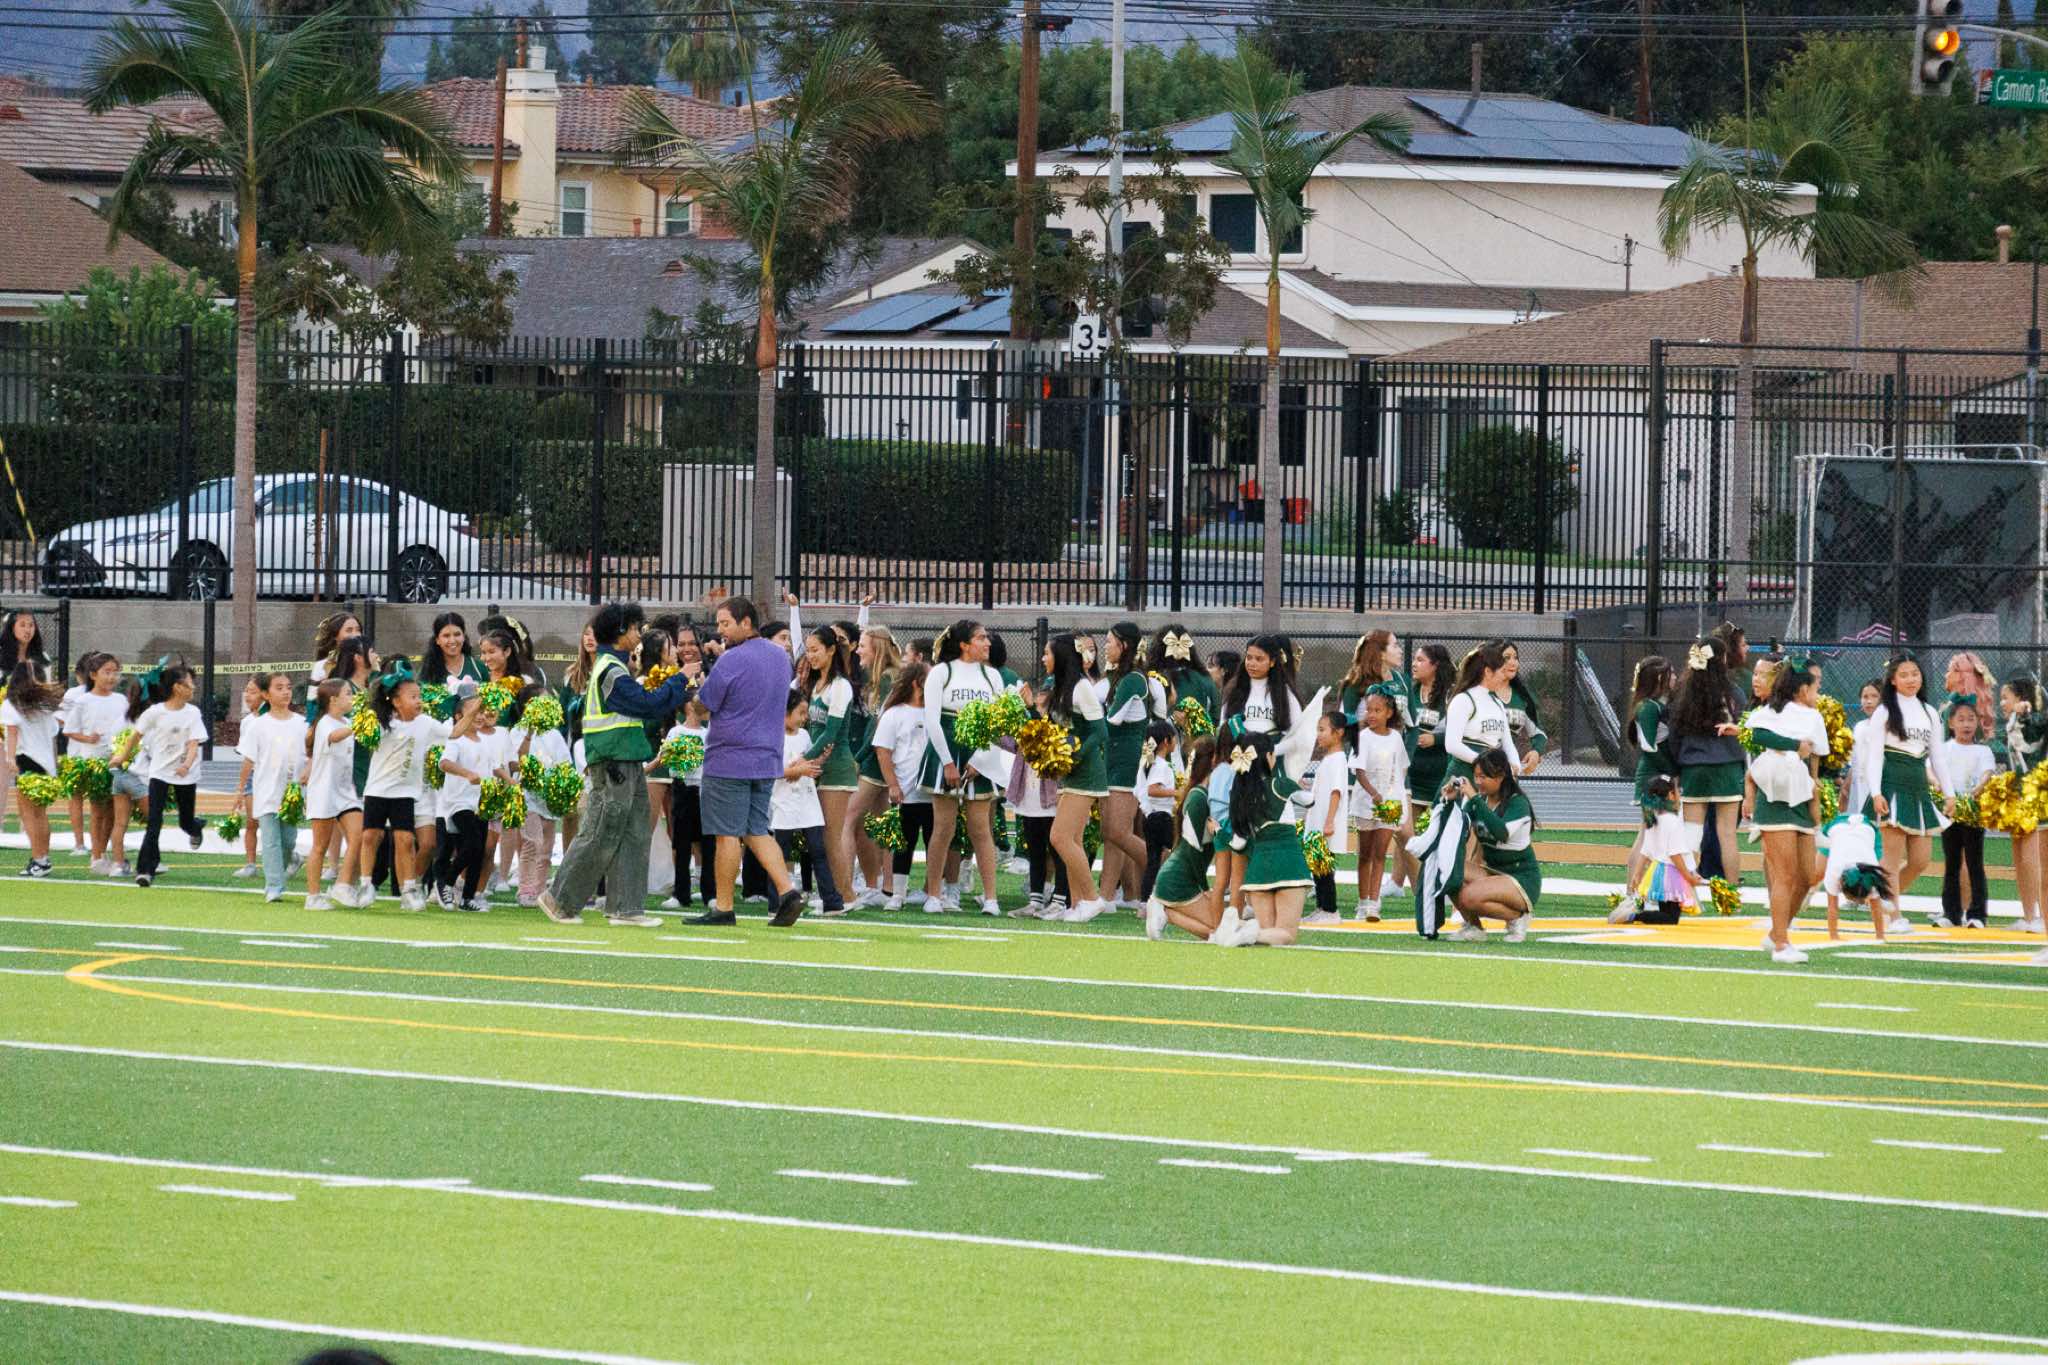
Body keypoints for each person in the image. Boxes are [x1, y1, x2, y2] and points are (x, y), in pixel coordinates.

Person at [539, 602, 699, 928]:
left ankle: (626, 907)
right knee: (601, 831)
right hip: (613, 760)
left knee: (634, 832)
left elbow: (648, 705)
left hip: (626, 759)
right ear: (621, 631)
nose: (639, 635)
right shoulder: (611, 669)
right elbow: (645, 705)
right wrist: (679, 680)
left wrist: (679, 685)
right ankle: (559, 898)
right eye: (636, 628)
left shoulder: (614, 666)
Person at [675, 596, 805, 928]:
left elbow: (704, 706)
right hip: (767, 756)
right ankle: (788, 891)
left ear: (746, 622)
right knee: (756, 830)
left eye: (725, 623)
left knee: (726, 834)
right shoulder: (781, 657)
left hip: (729, 757)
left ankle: (724, 907)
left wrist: (695, 689)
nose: (721, 630)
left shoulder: (731, 659)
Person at [355, 666, 478, 912]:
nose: (419, 701)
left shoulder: (426, 723)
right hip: (377, 790)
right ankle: (366, 884)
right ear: (396, 701)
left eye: (419, 696)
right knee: (370, 836)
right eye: (412, 697)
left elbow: (454, 733)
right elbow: (362, 736)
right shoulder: (381, 722)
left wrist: (472, 712)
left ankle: (409, 890)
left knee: (405, 839)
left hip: (405, 793)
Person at [1213, 688, 1329, 948]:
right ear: (1267, 757)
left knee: (1270, 936)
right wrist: (1296, 783)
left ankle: (1244, 929)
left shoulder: (1239, 795)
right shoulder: (1280, 784)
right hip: (1288, 862)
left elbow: (1238, 843)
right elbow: (1309, 801)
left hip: (1258, 870)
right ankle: (1245, 932)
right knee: (1286, 935)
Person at [916, 619, 1008, 916]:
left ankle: (991, 898)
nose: (987, 643)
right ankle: (933, 895)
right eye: (981, 638)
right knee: (943, 828)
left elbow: (998, 722)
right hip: (947, 752)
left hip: (980, 754)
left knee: (981, 829)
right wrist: (947, 762)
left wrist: (981, 759)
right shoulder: (942, 672)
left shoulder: (992, 675)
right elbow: (932, 720)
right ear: (964, 644)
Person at [1860, 655, 1954, 934]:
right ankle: (1894, 915)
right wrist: (1876, 792)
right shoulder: (1884, 711)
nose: (1911, 679)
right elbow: (1875, 756)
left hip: (1918, 787)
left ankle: (1880, 899)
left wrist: (1950, 794)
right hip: (1892, 783)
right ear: (1893, 680)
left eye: (1915, 673)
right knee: (1890, 858)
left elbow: (1938, 756)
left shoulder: (1929, 712)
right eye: (1904, 675)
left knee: (1920, 860)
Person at [1744, 656, 1828, 963]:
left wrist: (1815, 784)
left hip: (1801, 796)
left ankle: (1775, 934)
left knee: (1807, 876)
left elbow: (1817, 754)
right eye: (1815, 687)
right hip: (1775, 796)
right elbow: (1757, 735)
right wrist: (1793, 745)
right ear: (1802, 689)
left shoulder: (1814, 717)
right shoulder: (1772, 710)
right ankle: (1781, 944)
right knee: (1785, 874)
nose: (1818, 692)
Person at [1041, 632, 1112, 923]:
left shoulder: (1082, 687)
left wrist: (1075, 756)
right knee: (1073, 840)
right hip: (1069, 773)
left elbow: (1100, 732)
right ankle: (1076, 903)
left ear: (1060, 657)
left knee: (1059, 837)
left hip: (1086, 773)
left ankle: (1093, 899)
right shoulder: (1060, 687)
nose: (1043, 658)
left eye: (1047, 653)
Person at [1670, 637, 1746, 889]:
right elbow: (1744, 729)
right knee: (1727, 834)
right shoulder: (1734, 693)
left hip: (1695, 766)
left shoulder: (1684, 693)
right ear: (1722, 659)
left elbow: (1675, 734)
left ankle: (1686, 893)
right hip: (1728, 766)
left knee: (1691, 833)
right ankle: (1732, 894)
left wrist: (1677, 768)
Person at [1446, 747, 1542, 944]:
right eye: (1476, 776)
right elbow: (1458, 830)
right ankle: (1474, 927)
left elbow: (1501, 832)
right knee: (1447, 870)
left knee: (1469, 897)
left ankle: (1517, 918)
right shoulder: (1480, 800)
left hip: (1520, 878)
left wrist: (1474, 799)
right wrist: (1449, 801)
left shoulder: (1518, 803)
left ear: (1500, 776)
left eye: (1483, 777)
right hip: (1492, 871)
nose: (1478, 782)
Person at [131, 664, 209, 888]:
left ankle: (195, 827)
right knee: (154, 822)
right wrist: (121, 756)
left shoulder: (193, 713)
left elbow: (194, 743)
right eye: (190, 683)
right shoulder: (155, 712)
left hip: (186, 774)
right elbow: (136, 735)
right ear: (177, 687)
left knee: (185, 821)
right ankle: (146, 869)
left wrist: (186, 764)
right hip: (160, 773)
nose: (193, 688)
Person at [1095, 622, 1155, 911]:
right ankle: (1106, 897)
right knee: (1111, 833)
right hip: (1113, 760)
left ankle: (1166, 876)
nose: (1105, 646)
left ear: (1125, 645)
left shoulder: (1133, 679)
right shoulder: (1119, 677)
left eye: (1109, 641)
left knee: (1118, 831)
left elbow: (1113, 720)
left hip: (1128, 763)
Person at [235, 671, 308, 903]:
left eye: (288, 687)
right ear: (266, 694)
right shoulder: (258, 726)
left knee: (288, 840)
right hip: (266, 791)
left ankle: (287, 864)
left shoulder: (301, 723)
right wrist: (240, 790)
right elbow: (249, 759)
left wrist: (308, 772)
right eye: (279, 688)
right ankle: (274, 885)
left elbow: (310, 753)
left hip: (292, 793)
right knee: (270, 840)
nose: (286, 692)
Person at [1143, 736, 1224, 940]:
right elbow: (1193, 849)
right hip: (1178, 881)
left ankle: (1164, 911)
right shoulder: (1197, 798)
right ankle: (1165, 912)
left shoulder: (1204, 794)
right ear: (1214, 760)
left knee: (1221, 930)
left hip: (1185, 878)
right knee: (1219, 932)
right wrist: (1205, 888)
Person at [1617, 656, 1677, 922]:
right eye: (1670, 674)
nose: (1674, 677)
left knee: (1651, 835)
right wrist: (1671, 772)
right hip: (1653, 780)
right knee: (1647, 836)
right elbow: (1650, 746)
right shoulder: (1648, 707)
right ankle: (1633, 892)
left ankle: (1638, 891)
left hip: (1660, 777)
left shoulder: (1657, 705)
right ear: (1659, 679)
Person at [772, 692, 842, 915]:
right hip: (782, 803)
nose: (805, 718)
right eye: (800, 713)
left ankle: (831, 901)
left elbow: (810, 764)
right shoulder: (773, 736)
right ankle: (776, 903)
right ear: (785, 713)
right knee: (780, 853)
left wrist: (821, 759)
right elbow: (772, 770)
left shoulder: (804, 735)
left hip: (807, 802)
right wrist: (797, 770)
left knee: (818, 850)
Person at [63, 652, 131, 874]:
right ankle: (96, 855)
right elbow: (69, 730)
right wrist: (87, 738)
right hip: (94, 761)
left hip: (116, 761)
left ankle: (106, 851)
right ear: (93, 675)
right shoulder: (83, 701)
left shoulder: (121, 700)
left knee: (113, 810)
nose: (111, 677)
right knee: (97, 809)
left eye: (115, 672)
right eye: (106, 672)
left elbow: (129, 727)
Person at [437, 693, 506, 912]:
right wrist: (466, 774)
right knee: (473, 845)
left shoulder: (484, 741)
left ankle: (467, 898)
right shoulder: (456, 740)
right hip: (458, 802)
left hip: (480, 803)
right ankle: (447, 883)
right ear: (460, 716)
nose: (480, 715)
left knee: (479, 851)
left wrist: (510, 782)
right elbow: (444, 763)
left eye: (482, 711)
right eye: (474, 710)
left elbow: (495, 767)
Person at [1349, 684, 1409, 922]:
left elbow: (1401, 767)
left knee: (1380, 854)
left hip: (1390, 804)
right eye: (1368, 710)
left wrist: (1394, 795)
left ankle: (1374, 904)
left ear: (1389, 713)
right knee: (1365, 854)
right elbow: (1359, 771)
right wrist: (1373, 793)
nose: (1371, 715)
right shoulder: (1363, 737)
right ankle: (1362, 902)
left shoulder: (1396, 738)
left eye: (1377, 710)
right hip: (1366, 803)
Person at [302, 679, 360, 910]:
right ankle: (313, 896)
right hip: (324, 791)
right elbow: (334, 737)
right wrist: (359, 725)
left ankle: (342, 885)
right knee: (320, 846)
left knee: (359, 835)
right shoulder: (325, 723)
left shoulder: (347, 721)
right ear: (333, 700)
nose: (352, 698)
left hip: (345, 791)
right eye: (348, 693)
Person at [1612, 774, 1701, 924]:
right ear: (1671, 795)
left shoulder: (1654, 819)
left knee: (1667, 914)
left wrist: (1637, 874)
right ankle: (1633, 916)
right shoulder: (1673, 821)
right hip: (1672, 874)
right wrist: (1688, 876)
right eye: (1678, 791)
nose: (1680, 795)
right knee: (1670, 918)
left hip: (1659, 872)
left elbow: (1646, 850)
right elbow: (1675, 854)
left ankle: (1634, 916)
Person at [2, 660, 63, 876]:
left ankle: (39, 860)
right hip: (46, 764)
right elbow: (53, 733)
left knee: (28, 814)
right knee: (40, 814)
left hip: (26, 760)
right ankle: (43, 858)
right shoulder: (45, 706)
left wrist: (10, 759)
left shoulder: (11, 704)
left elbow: (12, 733)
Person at [1937, 701, 1994, 928]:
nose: (1966, 724)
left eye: (1971, 719)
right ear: (1951, 723)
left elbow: (1987, 773)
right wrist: (1940, 787)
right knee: (1951, 863)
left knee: (1974, 863)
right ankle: (1951, 914)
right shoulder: (1944, 748)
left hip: (1973, 812)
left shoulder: (1983, 750)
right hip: (1950, 812)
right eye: (1960, 719)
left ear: (1978, 723)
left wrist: (1975, 792)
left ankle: (1977, 915)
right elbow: (1931, 768)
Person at [1999, 676, 2047, 944]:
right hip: (2018, 792)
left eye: (2006, 698)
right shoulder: (2012, 722)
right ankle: (2029, 915)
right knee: (2019, 858)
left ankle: (2039, 915)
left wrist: (2025, 715)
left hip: (2034, 793)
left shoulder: (2033, 721)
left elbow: (2030, 747)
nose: (2002, 703)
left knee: (2033, 859)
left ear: (2021, 699)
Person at [660, 697, 715, 911]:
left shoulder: (708, 733)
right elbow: (667, 759)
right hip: (682, 788)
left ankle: (710, 893)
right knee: (681, 843)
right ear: (687, 706)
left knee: (708, 843)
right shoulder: (676, 732)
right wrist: (682, 760)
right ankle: (681, 894)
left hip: (704, 789)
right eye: (695, 702)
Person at [1300, 709, 1352, 926]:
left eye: (1323, 730)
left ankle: (1330, 910)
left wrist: (1329, 821)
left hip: (1325, 823)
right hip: (1318, 821)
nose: (1318, 735)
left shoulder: (1338, 759)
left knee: (1324, 868)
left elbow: (1336, 791)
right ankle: (1321, 907)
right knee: (1317, 866)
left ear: (1338, 733)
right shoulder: (1328, 759)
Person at [1442, 643, 1521, 785]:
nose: (1504, 676)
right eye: (1501, 671)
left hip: (1489, 778)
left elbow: (1508, 743)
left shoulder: (1497, 703)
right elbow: (1452, 745)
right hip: (1463, 777)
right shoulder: (1463, 700)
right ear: (1488, 672)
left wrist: (1515, 767)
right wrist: (1484, 763)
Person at [1820, 812, 1891, 947]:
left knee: (1876, 858)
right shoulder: (1834, 871)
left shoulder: (1871, 874)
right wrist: (1834, 936)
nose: (1855, 901)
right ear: (1842, 882)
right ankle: (1809, 890)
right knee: (1817, 872)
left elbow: (1876, 908)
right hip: (1836, 825)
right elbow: (1832, 908)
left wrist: (1880, 937)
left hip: (1867, 828)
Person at [1137, 720, 1180, 902]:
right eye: (1174, 738)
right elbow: (1152, 790)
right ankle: (1165, 894)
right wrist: (1177, 793)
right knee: (1173, 854)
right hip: (1161, 817)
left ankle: (1145, 901)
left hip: (1150, 816)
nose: (1176, 742)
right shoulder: (1160, 765)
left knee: (1153, 862)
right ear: (1166, 741)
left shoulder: (1149, 763)